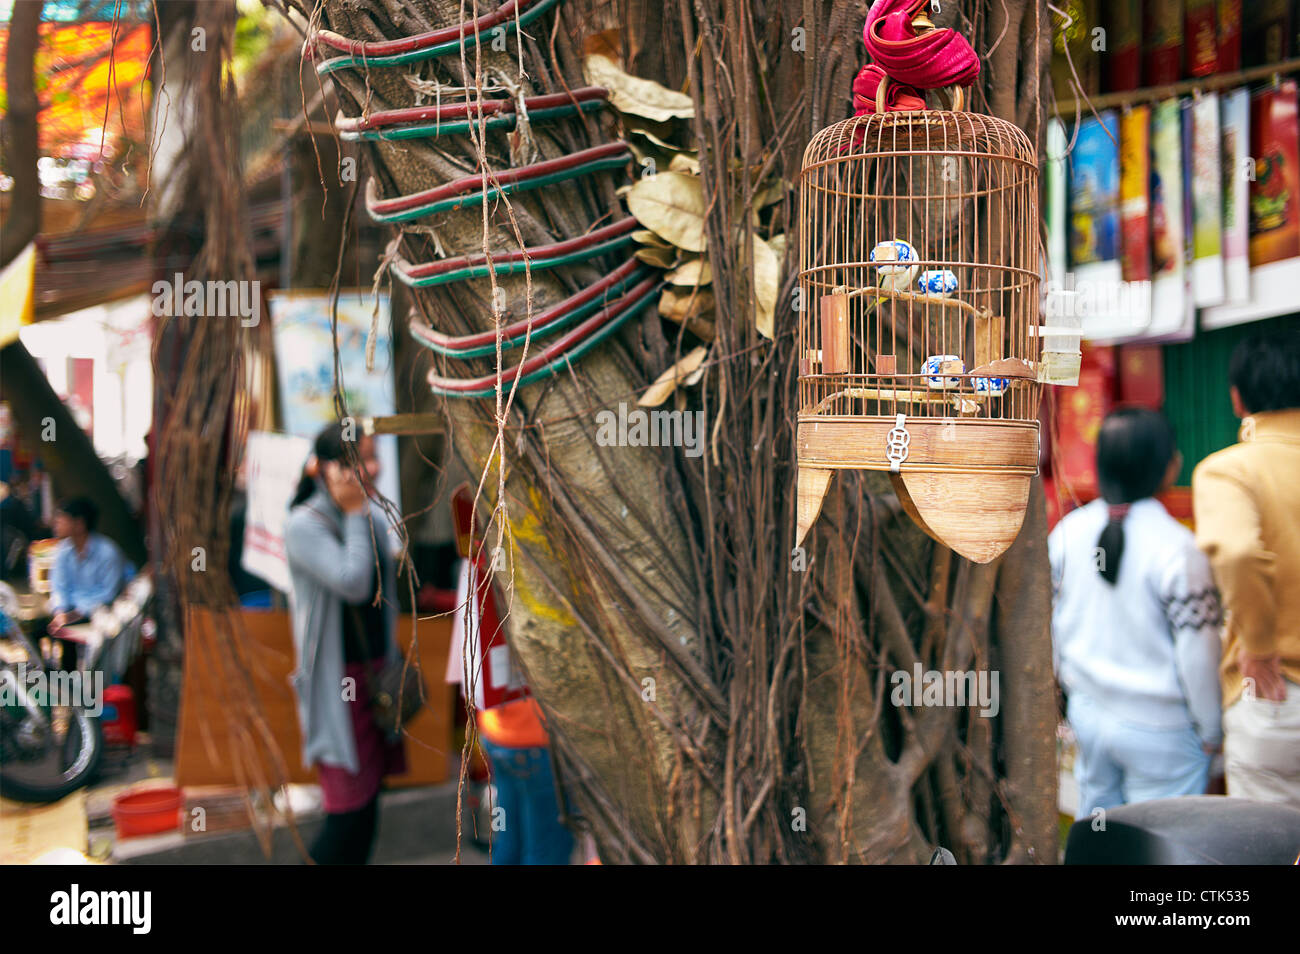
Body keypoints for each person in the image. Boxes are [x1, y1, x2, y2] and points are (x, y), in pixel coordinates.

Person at [1050, 408, 1223, 817]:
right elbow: (1198, 654)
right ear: (1168, 468)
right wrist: (1212, 730)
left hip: (1088, 715)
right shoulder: (1178, 548)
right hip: (1161, 733)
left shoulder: (1067, 533)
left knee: (1101, 838)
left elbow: (1050, 627)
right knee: (1165, 846)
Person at [285, 422, 404, 864]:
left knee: (368, 808)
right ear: (326, 470)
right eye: (360, 459)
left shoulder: (370, 517)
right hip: (338, 691)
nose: (372, 467)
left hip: (376, 682)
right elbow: (353, 583)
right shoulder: (303, 525)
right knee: (346, 813)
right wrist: (355, 514)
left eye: (374, 456)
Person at [1192, 330, 1300, 808]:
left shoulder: (1228, 470)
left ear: (1237, 399)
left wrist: (1257, 647)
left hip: (1275, 695)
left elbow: (1236, 553)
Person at [46, 497, 134, 666]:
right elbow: (58, 586)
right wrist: (60, 611)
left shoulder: (108, 552)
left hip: (100, 614)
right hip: (71, 613)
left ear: (79, 524)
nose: (56, 522)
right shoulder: (63, 551)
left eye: (62, 518)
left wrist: (75, 613)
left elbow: (108, 593)